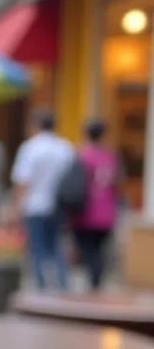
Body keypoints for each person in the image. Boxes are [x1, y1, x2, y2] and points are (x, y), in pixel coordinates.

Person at [11, 109, 74, 291]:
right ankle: (63, 284)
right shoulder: (65, 148)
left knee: (37, 246)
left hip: (34, 205)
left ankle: (40, 284)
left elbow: (22, 180)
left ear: (36, 125)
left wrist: (16, 205)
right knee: (56, 245)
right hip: (58, 205)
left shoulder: (30, 148)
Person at [72, 118, 120, 290]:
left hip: (87, 213)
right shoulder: (110, 156)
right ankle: (96, 278)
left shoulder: (84, 155)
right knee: (98, 250)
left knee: (89, 250)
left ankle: (95, 280)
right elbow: (117, 183)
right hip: (107, 212)